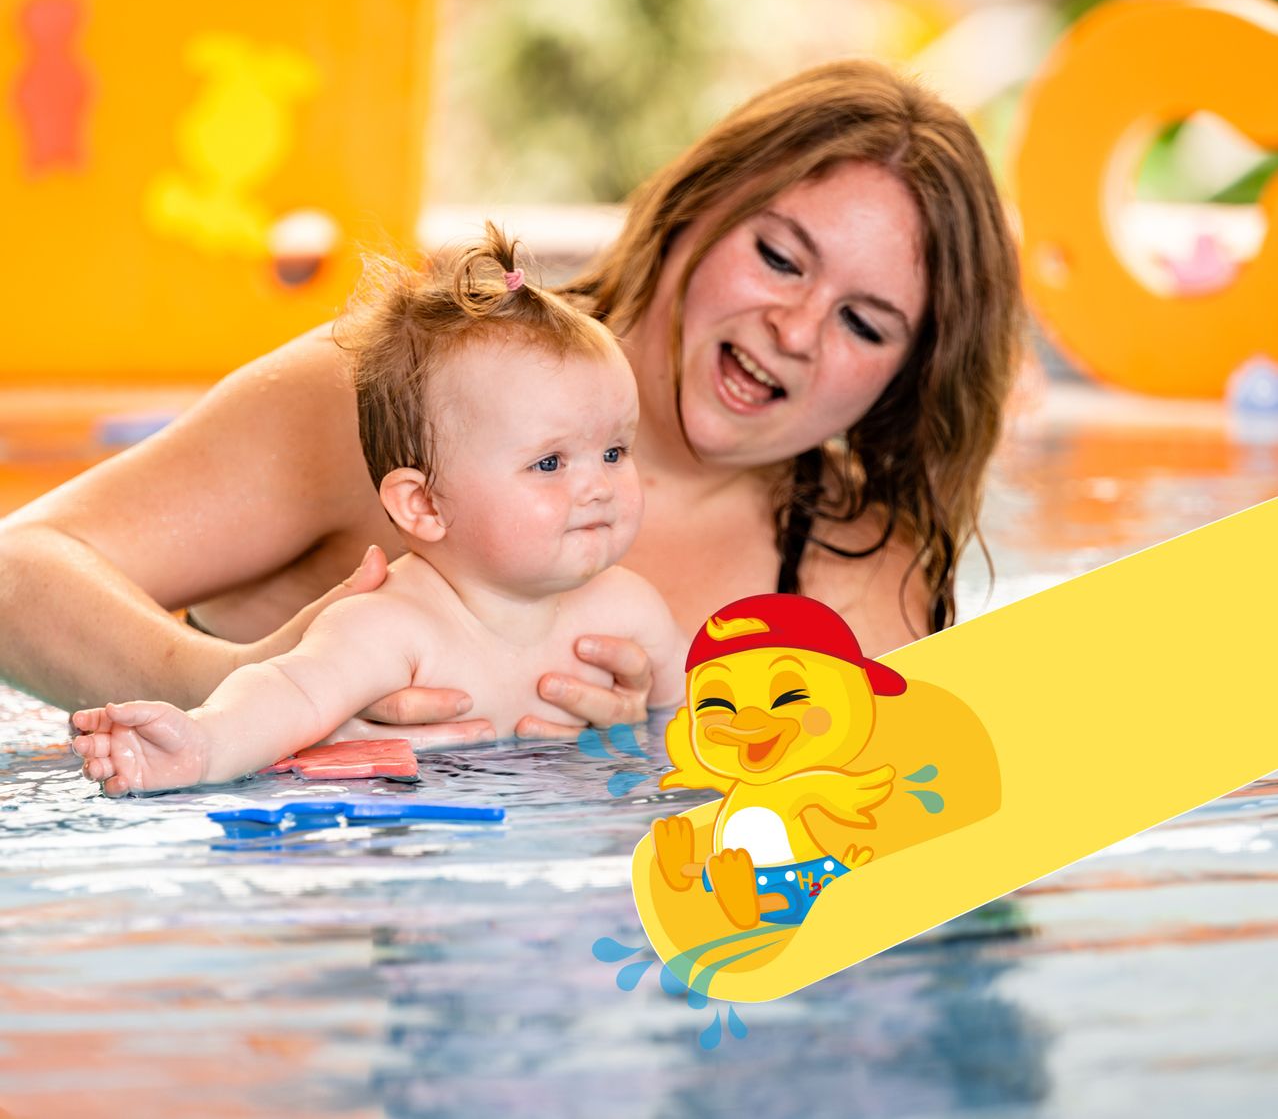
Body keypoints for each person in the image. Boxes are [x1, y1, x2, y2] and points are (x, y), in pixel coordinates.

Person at [0, 60, 1022, 744]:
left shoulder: (853, 582)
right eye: (778, 256)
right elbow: (18, 573)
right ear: (696, 208)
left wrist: (637, 770)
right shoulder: (397, 394)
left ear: (904, 379)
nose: (796, 328)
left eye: (865, 324)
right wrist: (244, 691)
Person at [70, 231, 686, 794]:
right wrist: (203, 746)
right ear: (423, 504)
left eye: (614, 451)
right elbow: (286, 689)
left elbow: (699, 724)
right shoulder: (396, 625)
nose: (599, 486)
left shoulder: (628, 611)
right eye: (550, 463)